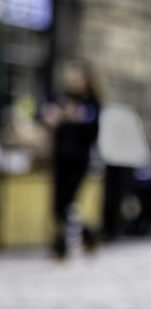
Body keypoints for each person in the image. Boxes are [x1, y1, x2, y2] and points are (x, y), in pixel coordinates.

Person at [40, 59, 103, 259]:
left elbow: (94, 131)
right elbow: (44, 117)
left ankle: (62, 246)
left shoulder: (92, 103)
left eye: (77, 77)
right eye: (71, 77)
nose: (73, 81)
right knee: (58, 204)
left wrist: (76, 117)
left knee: (68, 202)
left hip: (79, 159)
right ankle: (85, 234)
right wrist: (51, 118)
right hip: (60, 157)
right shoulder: (59, 98)